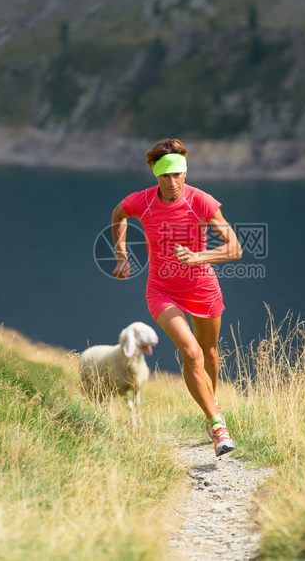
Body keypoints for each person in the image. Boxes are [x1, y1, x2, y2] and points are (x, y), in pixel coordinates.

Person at [112, 138, 242, 456]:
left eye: (178, 175)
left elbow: (234, 248)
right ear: (156, 176)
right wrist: (121, 255)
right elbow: (119, 214)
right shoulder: (140, 201)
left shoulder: (201, 201)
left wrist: (199, 257)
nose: (173, 183)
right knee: (192, 353)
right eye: (165, 177)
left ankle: (212, 405)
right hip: (161, 291)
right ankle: (217, 425)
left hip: (202, 289)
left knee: (209, 353)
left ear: (185, 172)